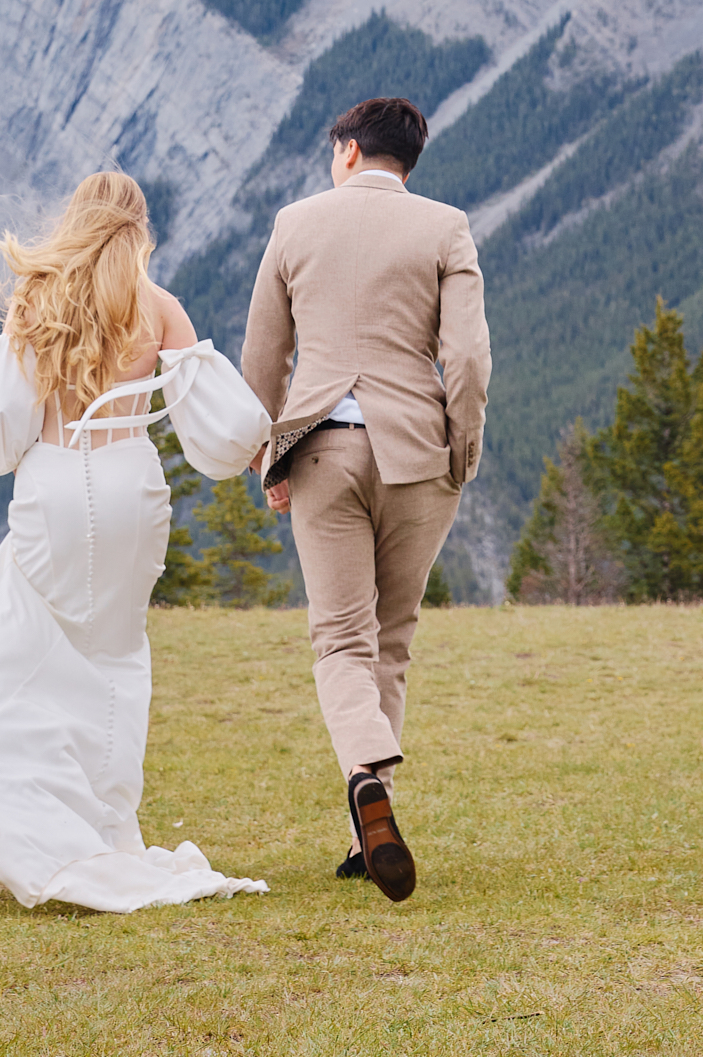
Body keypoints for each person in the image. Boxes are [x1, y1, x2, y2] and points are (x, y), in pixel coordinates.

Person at [0, 171, 271, 912]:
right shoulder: (156, 306)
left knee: (10, 646)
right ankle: (102, 826)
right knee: (113, 658)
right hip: (130, 491)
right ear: (139, 230)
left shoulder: (38, 301)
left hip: (52, 485)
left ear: (77, 220)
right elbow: (225, 431)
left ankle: (7, 804)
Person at [241, 96, 491, 902]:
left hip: (322, 448)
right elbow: (469, 359)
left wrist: (267, 455)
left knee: (340, 641)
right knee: (391, 637)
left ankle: (365, 783)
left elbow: (264, 356)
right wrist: (460, 451)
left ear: (348, 150)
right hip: (417, 451)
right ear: (405, 161)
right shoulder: (445, 227)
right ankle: (368, 820)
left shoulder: (294, 223)